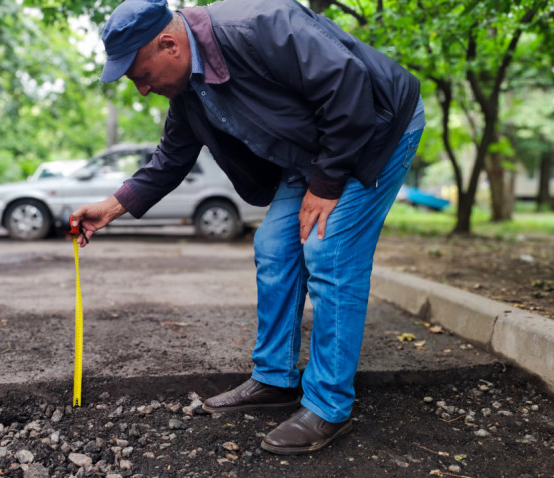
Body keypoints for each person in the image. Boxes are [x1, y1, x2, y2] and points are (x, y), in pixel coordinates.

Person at [70, 0, 425, 455]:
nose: (141, 90)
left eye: (140, 75)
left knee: (328, 250)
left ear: (169, 44)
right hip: (315, 149)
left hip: (375, 128)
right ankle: (275, 378)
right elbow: (171, 159)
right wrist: (111, 207)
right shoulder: (188, 92)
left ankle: (329, 407)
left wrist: (327, 180)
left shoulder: (257, 26)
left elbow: (348, 83)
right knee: (275, 246)